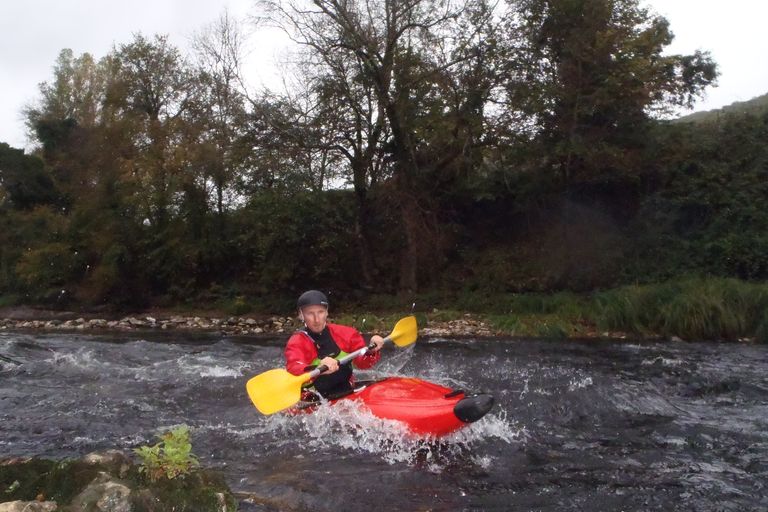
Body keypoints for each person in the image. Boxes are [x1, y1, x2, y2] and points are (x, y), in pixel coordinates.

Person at [285, 290, 384, 398]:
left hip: (346, 392)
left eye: (320, 312)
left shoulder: (346, 334)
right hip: (313, 398)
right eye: (310, 313)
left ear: (327, 312)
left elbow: (364, 364)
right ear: (301, 315)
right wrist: (318, 368)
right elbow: (294, 368)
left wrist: (372, 350)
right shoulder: (296, 342)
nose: (317, 319)